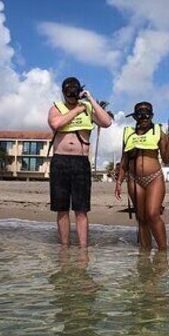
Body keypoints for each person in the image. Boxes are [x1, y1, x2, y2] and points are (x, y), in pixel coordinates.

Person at [47, 77, 112, 247]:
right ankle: (64, 247)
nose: (71, 94)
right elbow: (57, 124)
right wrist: (77, 110)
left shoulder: (88, 108)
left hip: (81, 162)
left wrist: (90, 99)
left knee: (81, 209)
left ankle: (83, 249)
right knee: (61, 209)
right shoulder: (56, 108)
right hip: (60, 161)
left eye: (74, 90)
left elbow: (106, 122)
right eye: (68, 91)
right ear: (63, 92)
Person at [115, 102, 169, 250]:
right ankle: (145, 255)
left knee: (153, 214)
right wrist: (119, 181)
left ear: (152, 116)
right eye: (140, 115)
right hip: (134, 180)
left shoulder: (157, 131)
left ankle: (162, 252)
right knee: (141, 218)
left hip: (154, 178)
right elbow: (124, 159)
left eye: (146, 115)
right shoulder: (128, 133)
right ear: (135, 117)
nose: (143, 118)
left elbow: (166, 159)